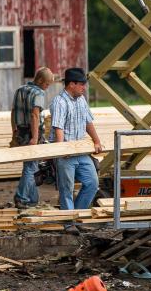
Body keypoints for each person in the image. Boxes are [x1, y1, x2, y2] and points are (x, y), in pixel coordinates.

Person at [49, 67, 103, 212]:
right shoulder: (59, 102)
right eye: (81, 84)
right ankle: (69, 223)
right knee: (67, 189)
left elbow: (88, 122)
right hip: (66, 154)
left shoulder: (81, 100)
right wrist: (62, 150)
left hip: (81, 151)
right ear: (71, 84)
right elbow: (58, 127)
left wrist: (96, 141)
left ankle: (77, 216)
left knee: (92, 183)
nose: (84, 88)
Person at [10, 67, 54, 209]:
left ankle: (33, 200)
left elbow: (13, 112)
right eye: (47, 84)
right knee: (30, 167)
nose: (47, 87)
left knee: (31, 166)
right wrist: (35, 138)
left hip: (21, 131)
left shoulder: (20, 90)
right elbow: (35, 116)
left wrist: (14, 133)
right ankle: (21, 197)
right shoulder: (38, 93)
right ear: (40, 80)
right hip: (33, 132)